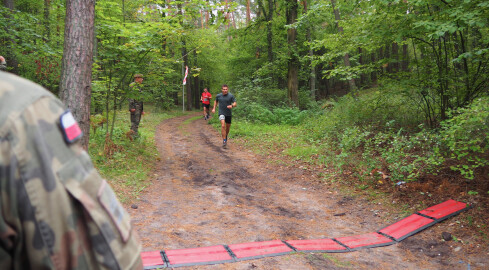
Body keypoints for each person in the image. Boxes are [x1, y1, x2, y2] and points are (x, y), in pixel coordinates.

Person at [0, 71, 143, 269]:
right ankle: (134, 132)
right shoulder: (23, 114)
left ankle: (135, 133)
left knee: (136, 125)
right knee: (134, 124)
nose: (140, 80)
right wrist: (134, 110)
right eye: (139, 78)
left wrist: (140, 110)